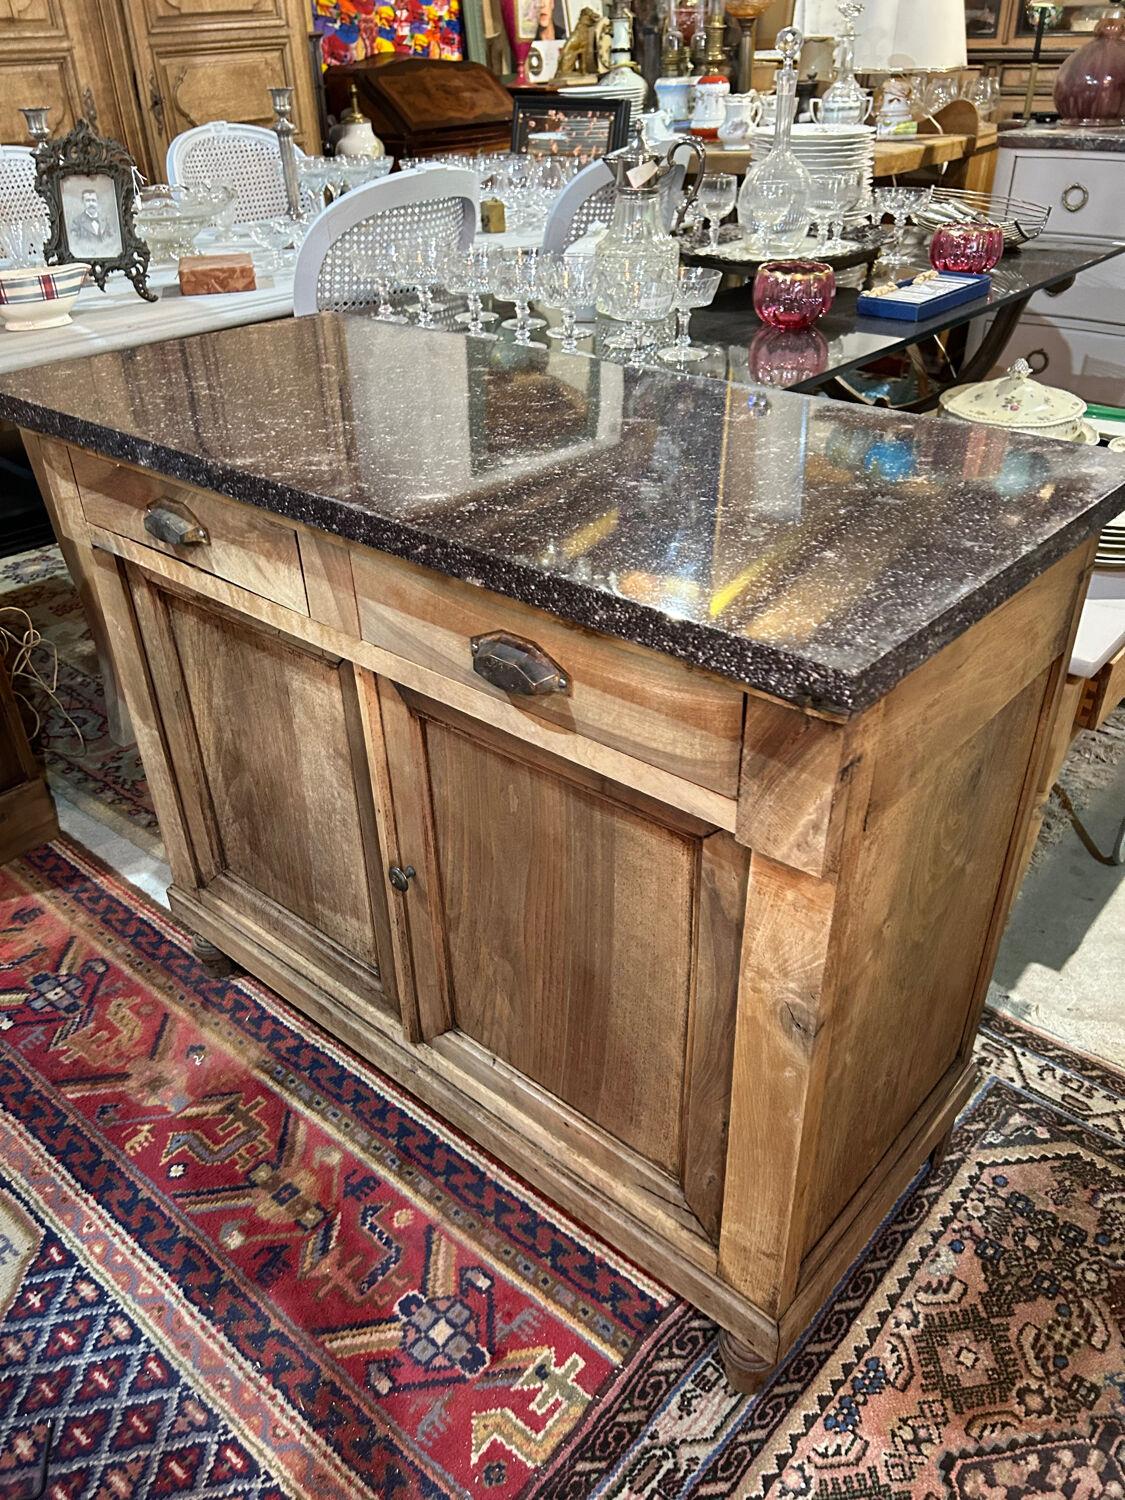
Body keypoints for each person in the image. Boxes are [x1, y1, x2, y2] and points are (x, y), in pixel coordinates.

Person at [67, 187, 116, 254]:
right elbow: (75, 243)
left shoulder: (105, 219)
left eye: (93, 200)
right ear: (82, 202)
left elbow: (113, 239)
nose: (91, 204)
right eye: (88, 201)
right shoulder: (77, 221)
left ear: (97, 202)